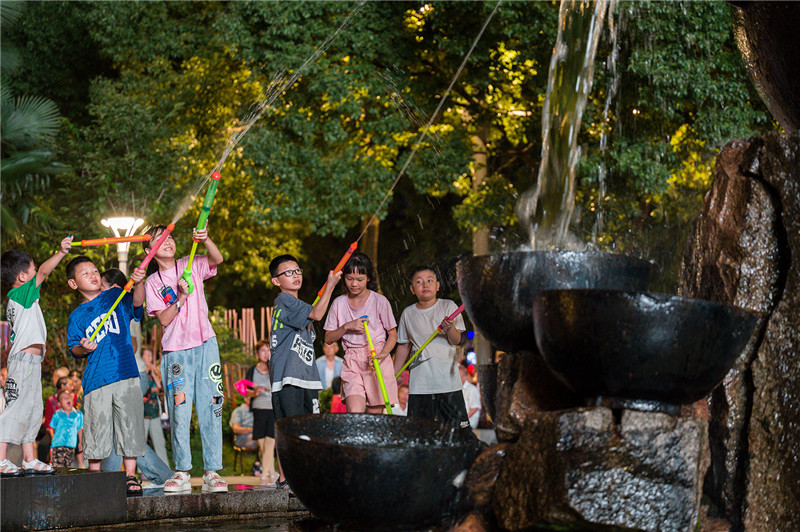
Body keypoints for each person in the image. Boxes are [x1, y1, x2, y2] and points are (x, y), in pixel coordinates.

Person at [143, 224, 227, 493]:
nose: (167, 242)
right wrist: (180, 296)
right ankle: (181, 472)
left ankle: (212, 472)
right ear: (149, 251)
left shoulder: (189, 263)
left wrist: (206, 239)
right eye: (159, 240)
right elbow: (165, 319)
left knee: (212, 406)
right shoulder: (152, 282)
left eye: (169, 237)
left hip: (206, 345)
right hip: (176, 351)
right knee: (180, 410)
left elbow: (218, 259)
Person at [66, 255, 146, 496]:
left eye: (94, 270)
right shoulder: (77, 316)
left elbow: (137, 305)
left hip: (126, 373)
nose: (92, 275)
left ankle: (130, 476)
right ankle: (95, 476)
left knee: (130, 426)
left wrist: (139, 282)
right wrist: (84, 347)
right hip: (96, 380)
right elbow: (74, 349)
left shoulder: (115, 296)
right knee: (96, 429)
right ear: (73, 284)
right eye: (84, 273)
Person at [268, 254, 341, 491]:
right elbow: (318, 314)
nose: (295, 275)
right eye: (288, 272)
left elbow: (315, 312)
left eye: (297, 270)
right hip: (288, 378)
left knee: (307, 431)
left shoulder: (301, 307)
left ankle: (298, 478)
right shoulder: (283, 300)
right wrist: (331, 285)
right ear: (276, 281)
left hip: (307, 379)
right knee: (291, 430)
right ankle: (286, 479)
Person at [0, 237, 72, 477]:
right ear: (22, 276)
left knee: (33, 409)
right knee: (16, 409)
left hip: (31, 363)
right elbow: (44, 271)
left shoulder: (24, 298)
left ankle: (30, 459)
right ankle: (1, 460)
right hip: (22, 362)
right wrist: (61, 253)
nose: (36, 273)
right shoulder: (20, 293)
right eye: (31, 269)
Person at [393, 266, 469, 430]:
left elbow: (456, 340)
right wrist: (394, 374)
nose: (425, 285)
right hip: (420, 384)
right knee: (418, 432)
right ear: (413, 289)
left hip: (448, 382)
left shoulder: (448, 306)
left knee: (458, 431)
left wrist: (449, 328)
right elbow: (403, 346)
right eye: (419, 282)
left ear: (437, 286)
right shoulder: (408, 313)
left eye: (429, 281)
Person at [324, 252, 398, 414]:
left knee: (374, 419)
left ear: (369, 278)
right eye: (349, 278)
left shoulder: (380, 301)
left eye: (359, 279)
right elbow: (328, 338)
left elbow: (393, 334)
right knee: (355, 414)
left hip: (376, 359)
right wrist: (346, 326)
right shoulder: (338, 303)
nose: (354, 284)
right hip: (352, 361)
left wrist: (383, 354)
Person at [245, 340, 278, 485]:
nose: (266, 353)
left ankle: (264, 475)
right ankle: (271, 471)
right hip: (258, 409)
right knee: (262, 442)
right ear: (257, 353)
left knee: (271, 441)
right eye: (263, 351)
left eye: (268, 350)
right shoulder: (252, 370)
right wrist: (255, 393)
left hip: (272, 409)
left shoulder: (275, 369)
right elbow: (246, 391)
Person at [47, 389, 84, 468]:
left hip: (71, 444)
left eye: (69, 397)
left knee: (68, 465)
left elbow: (80, 429)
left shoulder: (78, 415)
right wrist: (52, 437)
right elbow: (52, 428)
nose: (67, 399)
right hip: (58, 444)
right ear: (59, 403)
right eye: (64, 398)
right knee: (58, 466)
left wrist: (80, 442)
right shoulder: (57, 414)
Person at [459, 363, 481, 430]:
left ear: (464, 377)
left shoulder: (471, 389)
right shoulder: (458, 389)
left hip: (469, 422)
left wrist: (462, 420)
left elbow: (475, 408)